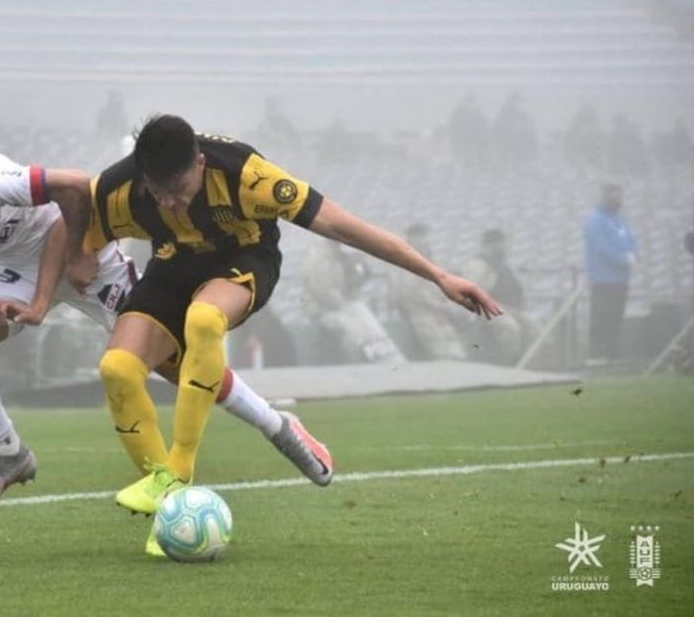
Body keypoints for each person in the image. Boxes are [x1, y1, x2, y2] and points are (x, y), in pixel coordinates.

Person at [56, 115, 502, 517]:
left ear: (201, 164)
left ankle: (178, 470)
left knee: (204, 320)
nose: (169, 203)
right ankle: (173, 509)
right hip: (171, 267)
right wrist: (75, 253)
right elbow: (69, 217)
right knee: (117, 369)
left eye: (179, 191)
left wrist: (439, 276)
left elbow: (346, 227)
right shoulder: (123, 189)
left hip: (244, 260)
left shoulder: (248, 177)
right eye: (159, 193)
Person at [0, 151, 330, 521]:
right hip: (15, 268)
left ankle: (278, 426)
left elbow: (75, 187)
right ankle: (11, 457)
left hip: (77, 247)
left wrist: (57, 282)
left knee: (177, 364)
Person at [388, 224, 469, 361]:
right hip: (419, 313)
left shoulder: (434, 264)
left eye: (424, 237)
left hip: (439, 313)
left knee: (457, 353)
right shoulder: (401, 265)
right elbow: (410, 293)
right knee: (442, 353)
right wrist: (442, 306)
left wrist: (449, 305)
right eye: (418, 238)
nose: (423, 242)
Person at [460, 229, 536, 365]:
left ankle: (528, 363)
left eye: (501, 243)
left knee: (533, 328)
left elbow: (516, 288)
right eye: (495, 244)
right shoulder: (478, 264)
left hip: (510, 307)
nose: (501, 247)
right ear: (487, 246)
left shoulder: (502, 265)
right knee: (510, 328)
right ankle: (508, 363)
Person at [583, 184, 637, 362]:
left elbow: (630, 240)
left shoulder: (620, 220)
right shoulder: (595, 220)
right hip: (603, 278)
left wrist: (633, 255)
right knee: (601, 315)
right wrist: (622, 259)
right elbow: (601, 247)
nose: (617, 199)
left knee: (616, 315)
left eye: (619, 195)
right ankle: (597, 353)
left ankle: (611, 351)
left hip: (621, 278)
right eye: (613, 195)